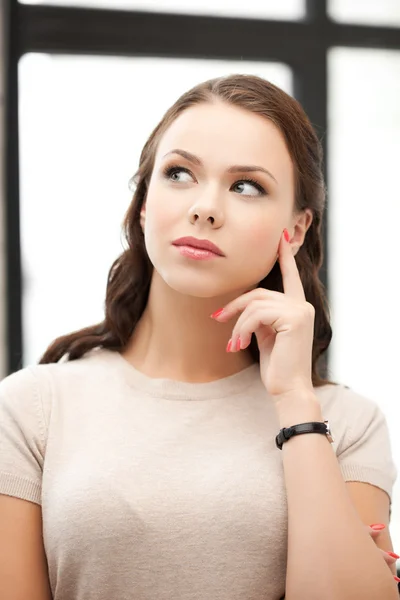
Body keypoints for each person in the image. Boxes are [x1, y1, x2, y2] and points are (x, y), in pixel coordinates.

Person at [0, 74, 398, 600]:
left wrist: (296, 403)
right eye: (179, 173)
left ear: (296, 228)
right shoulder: (32, 408)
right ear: (144, 203)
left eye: (246, 185)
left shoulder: (345, 423)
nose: (205, 207)